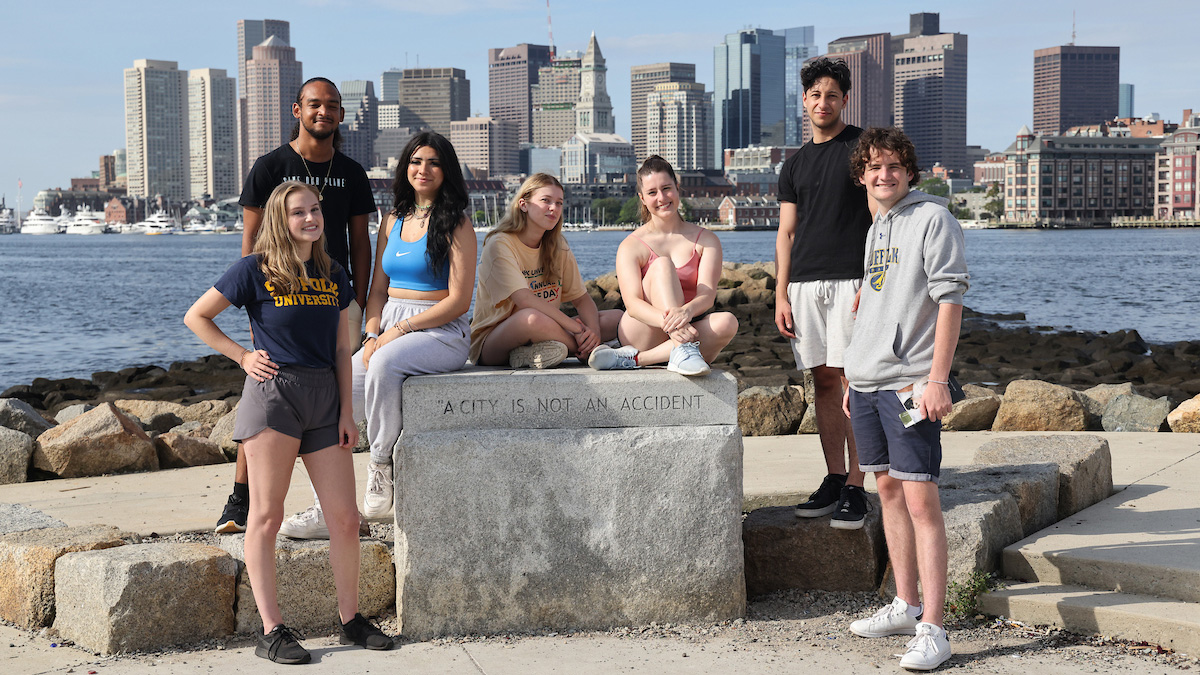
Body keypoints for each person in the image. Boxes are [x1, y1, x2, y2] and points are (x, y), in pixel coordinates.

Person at [184, 181, 393, 664]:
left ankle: (350, 620)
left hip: (325, 398)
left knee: (344, 519)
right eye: (299, 212)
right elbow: (198, 316)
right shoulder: (253, 270)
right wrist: (241, 356)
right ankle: (272, 630)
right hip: (274, 397)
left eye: (316, 210)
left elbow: (344, 348)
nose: (311, 219)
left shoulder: (333, 273)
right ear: (282, 219)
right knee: (266, 515)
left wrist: (345, 411)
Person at [215, 77, 376, 539]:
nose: (322, 112)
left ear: (341, 114)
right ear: (296, 110)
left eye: (331, 106)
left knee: (333, 396)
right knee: (262, 390)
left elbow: (359, 242)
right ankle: (241, 497)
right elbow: (250, 242)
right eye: (313, 105)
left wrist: (361, 302)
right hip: (277, 299)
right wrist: (252, 304)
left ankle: (329, 505)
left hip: (334, 296)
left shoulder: (353, 172)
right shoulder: (270, 167)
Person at [841, 127, 968, 672]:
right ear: (862, 175)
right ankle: (905, 603)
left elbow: (949, 300)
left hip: (909, 383)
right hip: (866, 382)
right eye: (873, 167)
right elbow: (873, 304)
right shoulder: (878, 227)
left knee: (921, 500)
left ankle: (935, 629)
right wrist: (852, 376)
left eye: (893, 166)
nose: (883, 174)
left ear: (909, 171)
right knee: (887, 492)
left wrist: (936, 378)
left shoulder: (932, 218)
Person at [774, 57, 874, 529]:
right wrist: (780, 293)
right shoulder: (793, 164)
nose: (823, 102)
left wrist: (875, 284)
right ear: (805, 101)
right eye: (815, 95)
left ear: (844, 100)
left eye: (831, 95)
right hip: (805, 286)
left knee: (856, 383)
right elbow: (786, 234)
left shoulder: (861, 147)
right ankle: (835, 476)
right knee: (824, 383)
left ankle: (857, 484)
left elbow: (880, 219)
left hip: (853, 281)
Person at [353, 132, 475, 517]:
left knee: (386, 364)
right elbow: (376, 291)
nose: (423, 169)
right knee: (337, 387)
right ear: (405, 167)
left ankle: (380, 463)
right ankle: (330, 502)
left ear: (446, 171)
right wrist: (372, 334)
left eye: (434, 163)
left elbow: (459, 300)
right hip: (388, 322)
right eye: (416, 161)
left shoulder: (457, 224)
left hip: (441, 331)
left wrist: (396, 334)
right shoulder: (391, 220)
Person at [592, 155, 737, 374]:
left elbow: (706, 296)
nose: (661, 197)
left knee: (727, 322)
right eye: (652, 193)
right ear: (642, 198)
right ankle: (681, 348)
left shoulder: (706, 240)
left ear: (677, 188)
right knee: (661, 265)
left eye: (667, 188)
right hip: (643, 329)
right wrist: (672, 324)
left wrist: (685, 313)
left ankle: (636, 359)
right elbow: (632, 304)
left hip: (684, 328)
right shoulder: (631, 245)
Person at [470, 173, 620, 369]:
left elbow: (582, 300)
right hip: (493, 343)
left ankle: (542, 352)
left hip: (547, 328)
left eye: (559, 203)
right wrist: (577, 330)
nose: (554, 208)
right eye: (545, 201)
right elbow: (524, 301)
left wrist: (594, 332)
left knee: (615, 317)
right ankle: (592, 351)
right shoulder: (499, 244)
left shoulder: (558, 245)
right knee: (531, 318)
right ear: (523, 204)